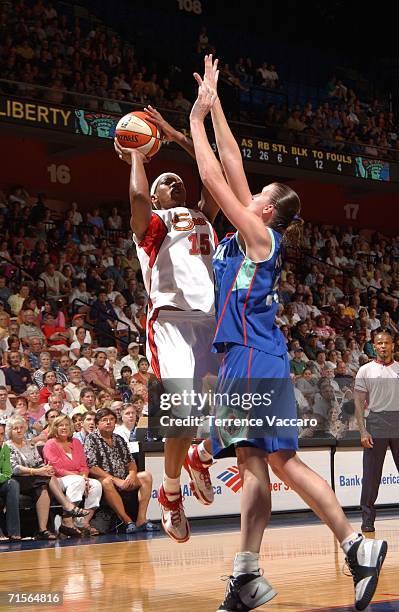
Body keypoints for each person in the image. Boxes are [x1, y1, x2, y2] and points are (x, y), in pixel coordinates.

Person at [189, 54, 387, 612]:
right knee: (278, 465)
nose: (244, 193)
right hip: (260, 355)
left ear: (267, 210)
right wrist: (217, 103)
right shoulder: (256, 234)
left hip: (250, 356)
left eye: (255, 195)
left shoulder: (257, 237)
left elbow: (210, 174)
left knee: (259, 464)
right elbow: (231, 164)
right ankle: (351, 547)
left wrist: (195, 122)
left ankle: (252, 573)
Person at [114, 104, 220, 543]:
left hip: (211, 322)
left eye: (177, 179)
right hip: (171, 324)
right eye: (164, 182)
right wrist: (136, 153)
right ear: (156, 198)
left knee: (239, 409)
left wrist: (177, 137)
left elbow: (213, 174)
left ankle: (198, 458)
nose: (173, 181)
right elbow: (137, 198)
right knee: (180, 414)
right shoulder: (152, 224)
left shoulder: (203, 216)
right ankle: (171, 495)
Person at [6, 415, 89, 539]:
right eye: (15, 428)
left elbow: (39, 462)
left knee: (44, 486)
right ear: (10, 431)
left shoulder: (30, 444)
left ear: (25, 429)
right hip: (17, 479)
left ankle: (42, 530)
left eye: (21, 427)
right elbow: (14, 468)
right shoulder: (7, 446)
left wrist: (45, 469)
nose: (18, 430)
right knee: (48, 477)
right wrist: (37, 471)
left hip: (33, 478)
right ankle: (67, 506)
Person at [84, 408, 158, 533]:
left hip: (124, 478)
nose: (108, 422)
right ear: (97, 424)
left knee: (146, 476)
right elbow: (92, 467)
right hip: (106, 479)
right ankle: (127, 521)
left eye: (111, 419)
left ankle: (141, 520)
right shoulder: (91, 439)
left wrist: (132, 474)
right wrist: (116, 480)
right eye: (104, 420)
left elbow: (130, 462)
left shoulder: (119, 439)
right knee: (106, 481)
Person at [354, 331, 399, 533]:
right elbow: (358, 402)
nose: (383, 346)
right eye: (379, 343)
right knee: (371, 476)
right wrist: (363, 431)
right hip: (376, 422)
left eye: (386, 343)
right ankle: (367, 518)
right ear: (374, 346)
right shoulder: (365, 370)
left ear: (393, 346)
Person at [43, 415, 102, 537]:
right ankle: (67, 522)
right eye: (60, 425)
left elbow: (84, 466)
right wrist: (80, 477)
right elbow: (56, 469)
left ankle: (83, 523)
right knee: (77, 481)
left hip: (79, 478)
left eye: (66, 425)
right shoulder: (50, 444)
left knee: (96, 485)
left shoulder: (76, 442)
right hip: (57, 480)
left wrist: (85, 477)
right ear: (55, 428)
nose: (64, 427)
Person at [0, 422, 21, 541]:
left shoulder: (5, 448)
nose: (0, 438)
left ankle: (14, 532)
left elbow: (8, 472)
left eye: (2, 435)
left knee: (13, 484)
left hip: (2, 482)